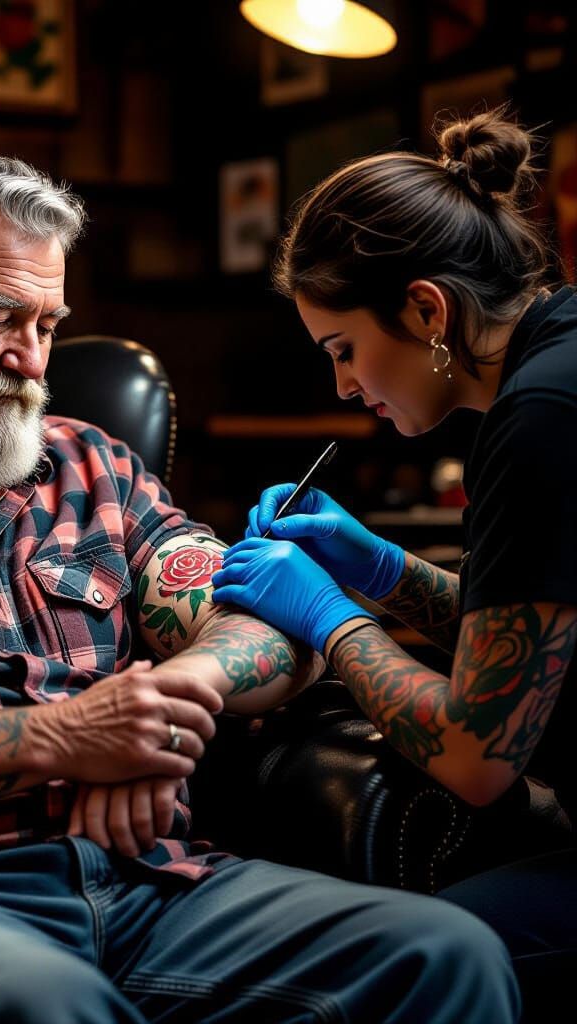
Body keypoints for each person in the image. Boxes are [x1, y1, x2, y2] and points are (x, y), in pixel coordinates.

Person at [0, 143, 520, 1023]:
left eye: (49, 325)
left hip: (159, 880)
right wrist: (63, 739)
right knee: (44, 1006)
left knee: (447, 955)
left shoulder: (92, 466)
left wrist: (160, 706)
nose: (32, 361)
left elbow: (263, 619)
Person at [211, 106, 577, 1021]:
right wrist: (379, 565)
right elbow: (528, 639)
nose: (342, 385)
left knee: (414, 963)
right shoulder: (560, 358)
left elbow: (476, 753)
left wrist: (333, 620)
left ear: (426, 308)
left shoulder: (542, 421)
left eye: (344, 349)